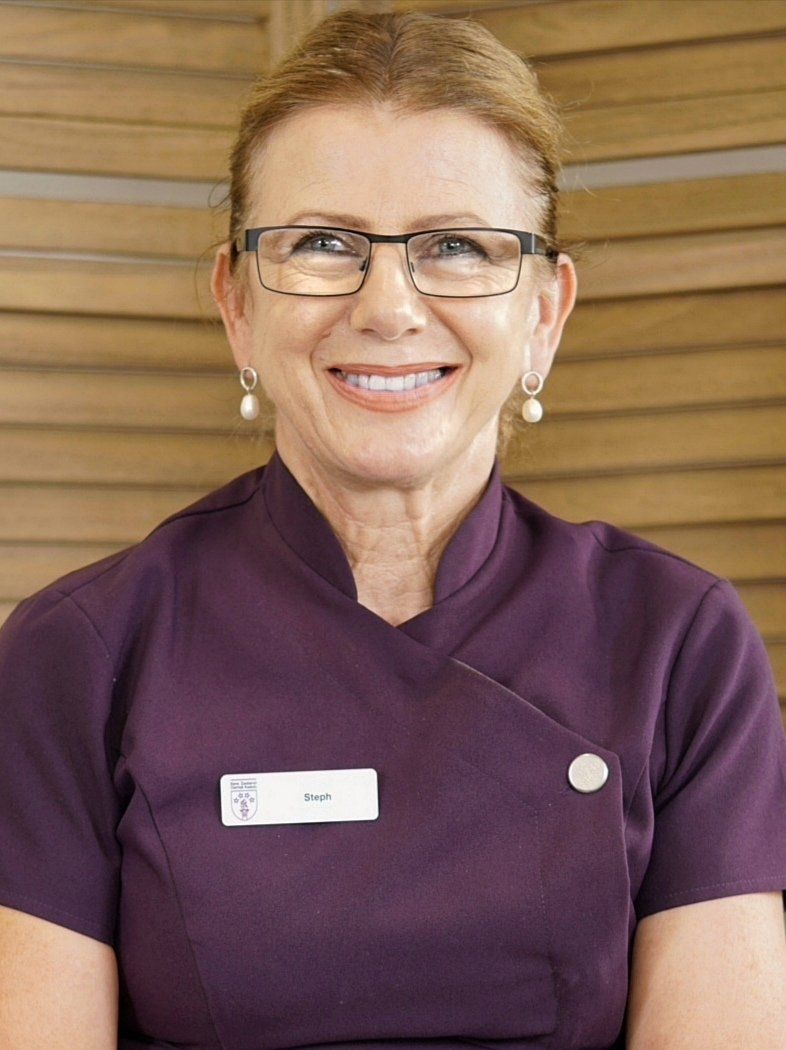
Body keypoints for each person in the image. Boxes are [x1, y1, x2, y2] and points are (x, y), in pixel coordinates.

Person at [1, 9, 785, 1049]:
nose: (388, 305)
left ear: (545, 314)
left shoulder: (678, 642)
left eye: (455, 246)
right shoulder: (80, 654)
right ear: (236, 303)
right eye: (323, 244)